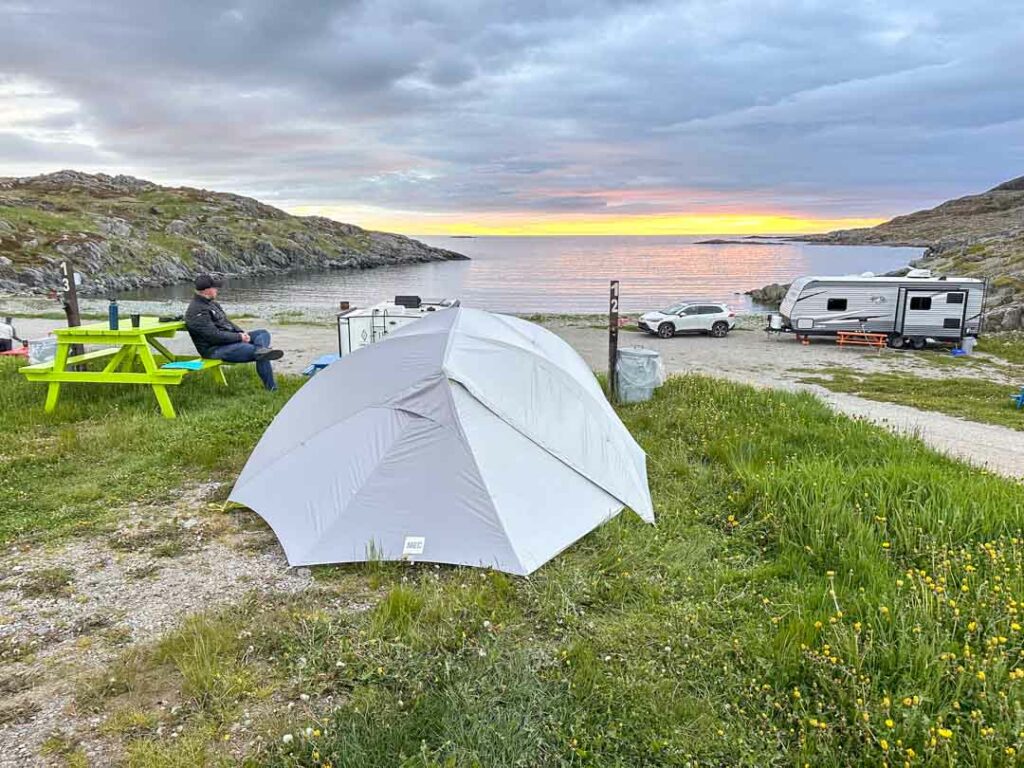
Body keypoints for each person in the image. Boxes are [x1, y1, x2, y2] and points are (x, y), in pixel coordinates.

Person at [185, 274, 283, 391]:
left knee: (262, 334)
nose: (217, 290)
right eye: (215, 288)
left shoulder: (212, 304)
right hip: (215, 349)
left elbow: (227, 323)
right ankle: (272, 388)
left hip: (230, 341)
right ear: (207, 290)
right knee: (260, 352)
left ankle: (261, 351)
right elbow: (213, 336)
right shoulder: (196, 311)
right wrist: (239, 337)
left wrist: (242, 333)